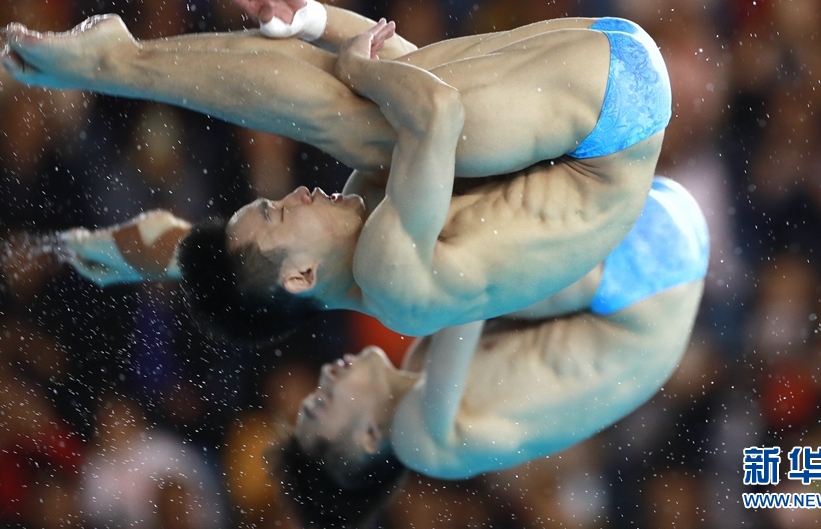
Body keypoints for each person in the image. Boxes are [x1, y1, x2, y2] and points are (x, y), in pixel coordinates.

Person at [5, 0, 671, 341]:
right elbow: (438, 110)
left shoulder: (367, 213)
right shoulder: (391, 281)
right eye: (276, 213)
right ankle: (116, 64)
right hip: (613, 117)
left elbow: (411, 65)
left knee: (373, 109)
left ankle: (122, 60)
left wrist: (313, 22)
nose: (293, 194)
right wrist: (354, 65)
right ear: (300, 276)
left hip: (601, 78)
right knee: (370, 113)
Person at [275, 176, 709, 528]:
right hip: (649, 276)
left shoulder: (421, 368)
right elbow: (470, 288)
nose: (324, 378)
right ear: (370, 438)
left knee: (437, 263)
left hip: (659, 265)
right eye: (322, 403)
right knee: (437, 271)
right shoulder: (418, 441)